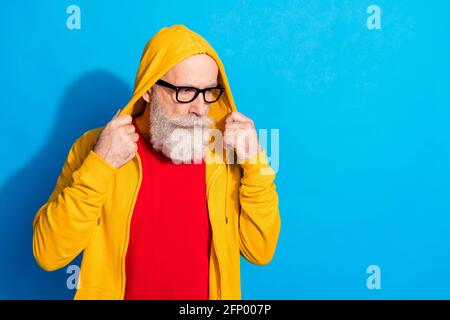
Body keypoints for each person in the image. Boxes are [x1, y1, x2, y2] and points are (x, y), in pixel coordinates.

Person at [32, 24, 281, 300]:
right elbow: (49, 254)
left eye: (209, 91)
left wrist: (256, 165)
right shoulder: (95, 148)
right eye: (185, 91)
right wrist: (100, 165)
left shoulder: (227, 155)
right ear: (149, 89)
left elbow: (260, 251)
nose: (200, 109)